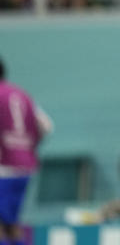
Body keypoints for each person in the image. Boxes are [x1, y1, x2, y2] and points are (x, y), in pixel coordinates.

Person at [0, 57, 54, 245]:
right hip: (25, 165)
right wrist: (26, 145)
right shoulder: (21, 94)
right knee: (12, 225)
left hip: (3, 166)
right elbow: (46, 126)